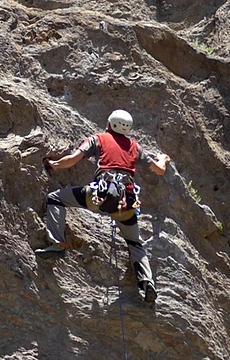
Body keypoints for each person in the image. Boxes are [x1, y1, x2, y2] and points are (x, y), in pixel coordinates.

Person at [36, 109, 171, 303]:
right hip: (126, 202)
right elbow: (159, 170)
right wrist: (163, 158)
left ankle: (57, 243)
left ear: (110, 124)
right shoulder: (135, 147)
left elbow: (73, 159)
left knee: (56, 198)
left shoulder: (98, 138)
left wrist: (54, 164)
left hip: (99, 195)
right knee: (135, 242)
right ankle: (147, 282)